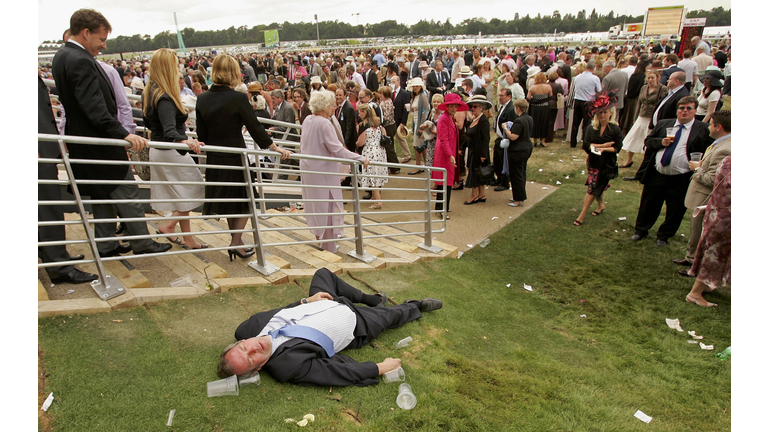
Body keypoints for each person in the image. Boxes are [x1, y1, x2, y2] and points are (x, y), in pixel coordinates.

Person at [52, 8, 171, 258]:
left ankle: (106, 244)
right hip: (101, 142)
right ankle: (142, 242)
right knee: (127, 191)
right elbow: (94, 106)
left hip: (84, 141)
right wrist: (123, 134)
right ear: (86, 33)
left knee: (102, 193)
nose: (103, 46)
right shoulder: (81, 60)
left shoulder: (62, 56)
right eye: (101, 39)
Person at [216, 267, 442, 385]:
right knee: (393, 315)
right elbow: (335, 372)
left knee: (323, 274)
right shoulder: (286, 366)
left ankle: (371, 298)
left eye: (244, 348)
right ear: (257, 369)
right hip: (355, 323)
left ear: (242, 341)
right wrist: (380, 367)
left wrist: (307, 301)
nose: (253, 349)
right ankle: (416, 306)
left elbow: (282, 313)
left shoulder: (247, 329)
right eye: (250, 359)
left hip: (324, 301)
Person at [196, 54, 291, 261]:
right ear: (232, 72)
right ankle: (234, 242)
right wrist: (273, 146)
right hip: (235, 156)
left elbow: (201, 135)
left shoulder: (202, 98)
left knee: (232, 201)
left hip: (215, 158)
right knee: (244, 200)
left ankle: (236, 242)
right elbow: (254, 126)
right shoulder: (238, 98)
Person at [143, 48, 207, 249]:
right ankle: (168, 226)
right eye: (176, 65)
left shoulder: (151, 93)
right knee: (194, 191)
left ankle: (188, 239)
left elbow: (153, 125)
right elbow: (170, 130)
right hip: (171, 152)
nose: (179, 68)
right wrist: (185, 141)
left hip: (161, 150)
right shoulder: (165, 97)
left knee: (183, 195)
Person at [630, 96, 713, 246]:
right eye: (681, 108)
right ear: (677, 111)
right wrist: (660, 142)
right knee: (649, 204)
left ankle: (664, 235)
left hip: (681, 177)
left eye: (689, 108)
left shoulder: (702, 129)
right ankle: (641, 230)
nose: (685, 111)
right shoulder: (664, 124)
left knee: (675, 209)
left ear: (695, 111)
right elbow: (648, 141)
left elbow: (710, 150)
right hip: (657, 174)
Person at [38, 75, 98, 284]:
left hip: (44, 146)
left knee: (47, 208)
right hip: (39, 150)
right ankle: (58, 264)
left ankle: (52, 256)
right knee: (48, 209)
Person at [299, 90, 369, 253]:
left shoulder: (308, 120)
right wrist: (360, 158)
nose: (333, 108)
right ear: (324, 107)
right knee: (328, 205)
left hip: (309, 169)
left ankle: (322, 240)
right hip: (323, 172)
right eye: (332, 105)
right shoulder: (324, 123)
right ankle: (328, 245)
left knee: (316, 205)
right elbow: (337, 149)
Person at [673, 110, 731, 271]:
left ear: (718, 126)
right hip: (700, 196)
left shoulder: (725, 149)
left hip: (705, 199)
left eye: (710, 124)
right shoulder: (720, 143)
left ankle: (696, 265)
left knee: (700, 232)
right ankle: (690, 257)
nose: (708, 128)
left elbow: (715, 180)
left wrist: (697, 169)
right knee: (694, 229)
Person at [683, 155, 730, 307]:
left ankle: (707, 283)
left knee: (712, 251)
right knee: (715, 254)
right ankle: (695, 293)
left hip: (716, 212)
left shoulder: (729, 159)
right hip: (727, 218)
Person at [574, 91, 623, 226]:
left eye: (605, 112)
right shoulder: (591, 128)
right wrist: (603, 145)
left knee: (592, 187)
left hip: (606, 164)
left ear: (611, 113)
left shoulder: (614, 129)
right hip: (593, 162)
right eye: (600, 112)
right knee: (597, 186)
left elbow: (618, 147)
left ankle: (582, 215)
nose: (602, 115)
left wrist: (604, 148)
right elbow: (586, 145)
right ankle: (601, 205)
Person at [620, 70, 668, 168]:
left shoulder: (662, 89)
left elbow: (663, 104)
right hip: (642, 116)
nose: (650, 80)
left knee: (648, 139)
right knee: (633, 136)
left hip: (652, 118)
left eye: (652, 78)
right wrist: (636, 116)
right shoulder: (644, 87)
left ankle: (646, 163)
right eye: (649, 78)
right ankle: (629, 160)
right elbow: (639, 103)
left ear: (657, 78)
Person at [432, 93, 467, 220]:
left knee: (448, 180)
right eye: (452, 106)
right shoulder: (444, 119)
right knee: (444, 180)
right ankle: (441, 208)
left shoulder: (450, 118)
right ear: (447, 107)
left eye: (455, 106)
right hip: (444, 154)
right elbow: (443, 139)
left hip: (449, 152)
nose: (454, 109)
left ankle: (443, 206)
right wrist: (450, 155)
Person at [500, 99, 534, 207]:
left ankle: (518, 199)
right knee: (522, 172)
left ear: (518, 108)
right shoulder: (529, 118)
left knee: (516, 175)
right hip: (526, 148)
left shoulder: (519, 121)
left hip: (518, 150)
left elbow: (513, 136)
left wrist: (505, 128)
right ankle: (519, 196)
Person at [355, 103, 388, 209]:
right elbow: (385, 134)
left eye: (360, 112)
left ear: (365, 112)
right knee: (377, 175)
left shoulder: (363, 126)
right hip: (380, 152)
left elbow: (360, 143)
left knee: (372, 177)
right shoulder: (378, 123)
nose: (358, 114)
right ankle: (375, 197)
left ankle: (378, 202)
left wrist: (356, 143)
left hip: (369, 152)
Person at [463, 95, 492, 204]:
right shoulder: (475, 120)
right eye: (471, 107)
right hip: (472, 151)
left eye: (475, 107)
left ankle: (474, 195)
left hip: (479, 152)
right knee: (478, 173)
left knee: (476, 172)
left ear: (481, 108)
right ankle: (481, 194)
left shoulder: (483, 121)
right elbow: (469, 136)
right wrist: (462, 147)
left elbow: (486, 138)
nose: (472, 109)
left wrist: (483, 154)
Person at [569, 61, 602, 148]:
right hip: (588, 101)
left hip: (578, 100)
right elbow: (599, 90)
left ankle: (573, 142)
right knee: (587, 123)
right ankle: (585, 142)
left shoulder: (577, 77)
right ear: (593, 68)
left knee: (575, 123)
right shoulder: (595, 78)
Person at [407, 78, 431, 174]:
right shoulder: (415, 96)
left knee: (417, 146)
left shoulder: (423, 96)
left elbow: (425, 112)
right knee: (421, 146)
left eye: (417, 86)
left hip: (420, 123)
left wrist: (421, 127)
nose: (415, 88)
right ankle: (426, 165)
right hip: (416, 121)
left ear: (421, 86)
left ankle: (418, 166)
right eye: (414, 86)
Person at [527, 72, 553, 148]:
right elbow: (551, 97)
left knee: (535, 123)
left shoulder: (532, 87)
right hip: (544, 107)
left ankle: (535, 140)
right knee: (544, 123)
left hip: (535, 108)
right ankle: (543, 140)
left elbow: (528, 98)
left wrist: (535, 100)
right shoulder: (548, 87)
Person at [421, 93, 443, 169]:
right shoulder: (432, 112)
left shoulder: (444, 115)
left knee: (438, 161)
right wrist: (424, 127)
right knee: (430, 161)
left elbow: (446, 131)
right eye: (434, 101)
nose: (435, 103)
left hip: (440, 141)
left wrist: (435, 132)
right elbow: (428, 121)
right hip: (431, 141)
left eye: (438, 102)